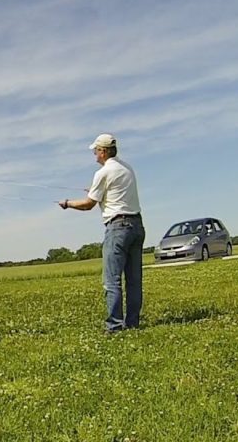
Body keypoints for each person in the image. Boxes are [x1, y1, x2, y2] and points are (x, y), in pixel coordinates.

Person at [58, 134, 145, 334]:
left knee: (112, 280)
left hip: (118, 227)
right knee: (133, 280)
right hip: (137, 225)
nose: (94, 155)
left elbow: (88, 204)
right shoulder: (127, 168)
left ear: (103, 151)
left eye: (95, 151)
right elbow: (116, 193)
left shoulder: (103, 173)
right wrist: (95, 191)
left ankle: (114, 326)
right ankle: (132, 323)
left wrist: (68, 203)